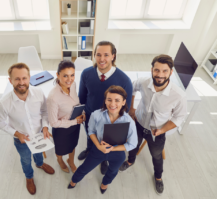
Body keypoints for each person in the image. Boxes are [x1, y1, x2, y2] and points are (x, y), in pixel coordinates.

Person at [119, 54, 187, 195]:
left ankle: (158, 177)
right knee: (133, 145)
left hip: (157, 131)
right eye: (157, 70)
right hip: (138, 123)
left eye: (164, 71)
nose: (160, 75)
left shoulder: (178, 95)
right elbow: (132, 86)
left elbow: (179, 117)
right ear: (151, 70)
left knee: (156, 156)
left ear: (171, 72)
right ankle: (130, 161)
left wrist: (162, 130)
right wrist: (131, 108)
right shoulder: (144, 82)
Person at [0, 63, 55, 195]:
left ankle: (40, 164)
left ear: (29, 78)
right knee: (26, 159)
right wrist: (16, 133)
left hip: (39, 134)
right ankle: (29, 177)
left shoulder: (39, 93)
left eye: (24, 78)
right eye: (17, 79)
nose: (21, 82)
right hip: (21, 140)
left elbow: (45, 111)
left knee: (38, 152)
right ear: (10, 81)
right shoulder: (3, 104)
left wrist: (45, 126)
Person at [68, 86, 137, 194]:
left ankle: (105, 183)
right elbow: (91, 131)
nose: (112, 104)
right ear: (105, 101)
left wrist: (112, 149)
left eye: (117, 100)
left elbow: (132, 143)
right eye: (109, 100)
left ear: (123, 102)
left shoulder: (129, 122)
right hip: (98, 149)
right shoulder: (96, 115)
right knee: (84, 168)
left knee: (113, 170)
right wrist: (99, 146)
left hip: (117, 153)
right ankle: (74, 180)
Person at [78, 41, 133, 175]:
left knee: (106, 143)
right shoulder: (86, 74)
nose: (102, 59)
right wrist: (84, 112)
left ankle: (103, 160)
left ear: (113, 56)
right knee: (90, 135)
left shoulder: (124, 80)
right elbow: (82, 97)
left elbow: (126, 107)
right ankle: (89, 149)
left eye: (106, 55)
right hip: (90, 116)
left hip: (110, 122)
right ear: (94, 56)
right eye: (98, 55)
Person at [47, 60, 85, 173]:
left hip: (75, 124)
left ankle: (71, 161)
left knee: (73, 144)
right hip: (61, 129)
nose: (70, 79)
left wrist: (82, 114)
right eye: (65, 76)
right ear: (57, 75)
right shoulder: (53, 97)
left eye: (72, 75)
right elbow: (53, 123)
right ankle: (60, 160)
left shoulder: (73, 85)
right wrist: (74, 122)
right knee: (60, 149)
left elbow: (75, 103)